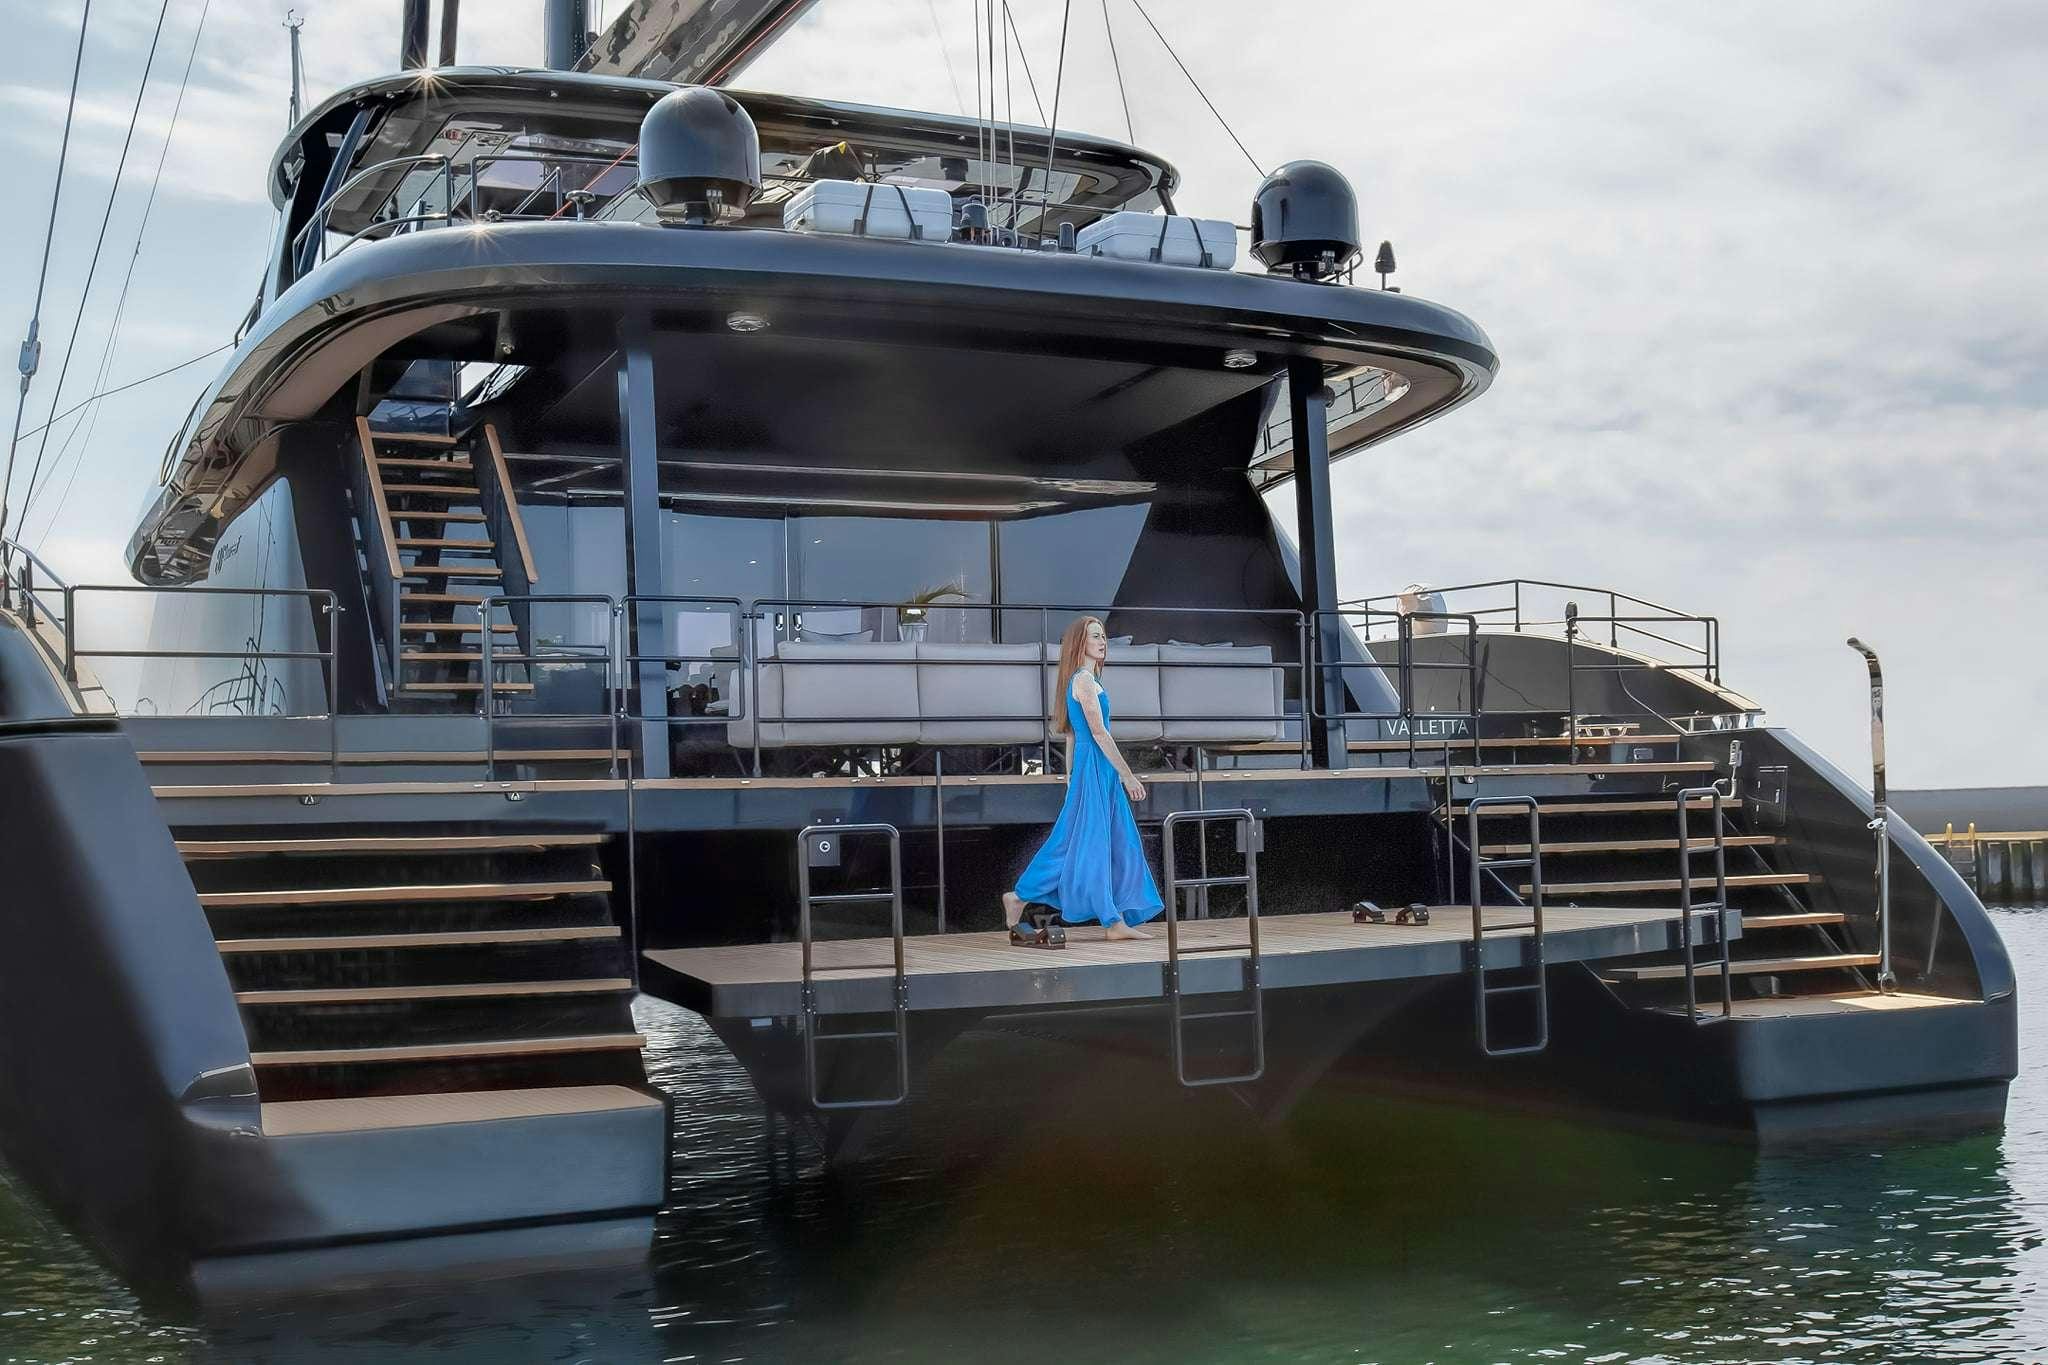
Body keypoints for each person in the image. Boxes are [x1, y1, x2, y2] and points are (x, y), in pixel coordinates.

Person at [1003, 616, 1166, 944]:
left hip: (1094, 772)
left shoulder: (1087, 680)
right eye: (1095, 637)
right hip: (1097, 770)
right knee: (1088, 843)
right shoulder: (1084, 682)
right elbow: (1097, 734)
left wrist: (1071, 777)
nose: (1102, 642)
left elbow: (1072, 737)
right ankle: (1102, 918)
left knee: (1105, 841)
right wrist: (1127, 775)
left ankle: (1110, 919)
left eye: (1103, 636)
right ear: (1081, 643)